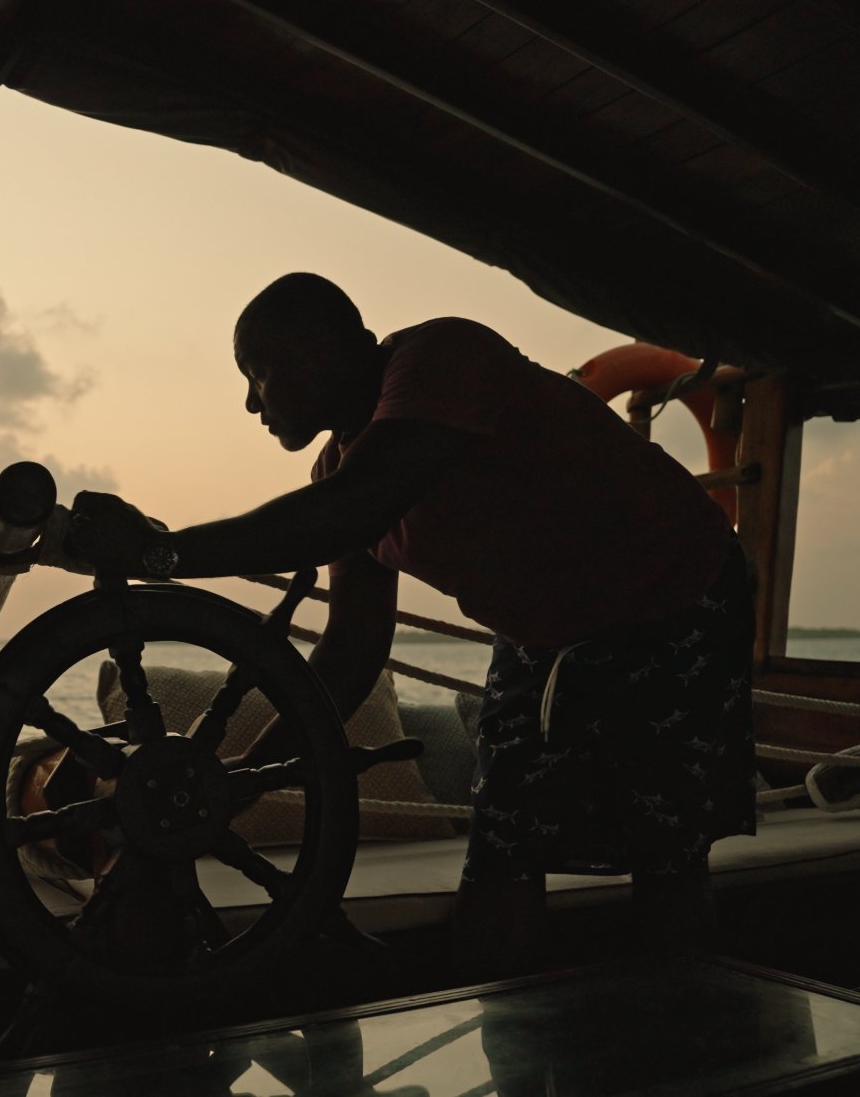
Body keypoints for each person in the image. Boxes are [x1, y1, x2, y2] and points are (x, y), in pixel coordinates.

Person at [68, 272, 755, 974]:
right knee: (501, 848)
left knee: (666, 843)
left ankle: (687, 1033)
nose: (251, 402)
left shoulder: (441, 359)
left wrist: (163, 551)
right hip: (543, 639)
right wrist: (239, 782)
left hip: (673, 598)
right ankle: (510, 1048)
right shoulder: (339, 468)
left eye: (259, 372)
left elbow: (355, 507)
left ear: (322, 348)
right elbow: (350, 652)